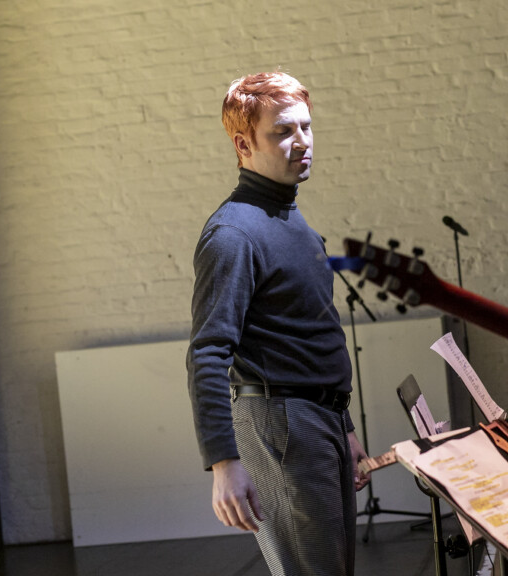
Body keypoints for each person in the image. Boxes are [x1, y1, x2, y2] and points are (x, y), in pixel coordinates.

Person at [187, 71, 370, 576]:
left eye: (306, 128)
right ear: (244, 144)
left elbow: (308, 333)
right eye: (283, 132)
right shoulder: (232, 234)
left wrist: (343, 423)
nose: (302, 143)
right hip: (281, 422)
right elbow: (207, 352)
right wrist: (223, 463)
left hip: (318, 419)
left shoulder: (291, 219)